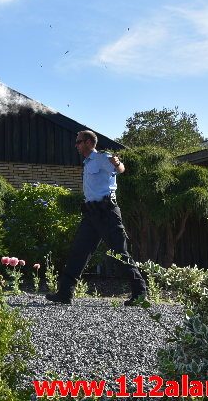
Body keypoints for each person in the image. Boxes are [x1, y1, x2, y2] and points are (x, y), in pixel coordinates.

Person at [45, 130, 147, 306]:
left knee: (120, 253)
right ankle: (65, 293)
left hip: (107, 213)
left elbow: (119, 169)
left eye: (78, 142)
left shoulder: (101, 158)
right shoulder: (87, 163)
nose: (76, 145)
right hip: (91, 214)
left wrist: (118, 163)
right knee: (79, 251)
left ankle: (140, 293)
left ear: (89, 142)